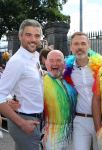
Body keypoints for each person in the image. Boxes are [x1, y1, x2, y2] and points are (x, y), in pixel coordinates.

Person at [63, 32, 102, 150]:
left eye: (83, 43)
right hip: (80, 120)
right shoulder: (66, 68)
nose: (79, 47)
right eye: (76, 44)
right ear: (71, 47)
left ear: (89, 46)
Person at [0, 19, 44, 150]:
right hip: (24, 121)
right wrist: (22, 124)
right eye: (28, 35)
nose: (33, 39)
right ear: (20, 36)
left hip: (34, 119)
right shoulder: (17, 61)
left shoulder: (35, 56)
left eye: (37, 36)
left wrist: (10, 98)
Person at [42, 50, 77, 150]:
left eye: (58, 60)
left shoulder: (70, 80)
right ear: (46, 63)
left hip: (73, 131)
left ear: (64, 63)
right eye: (51, 60)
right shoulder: (41, 81)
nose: (55, 63)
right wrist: (11, 101)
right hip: (52, 132)